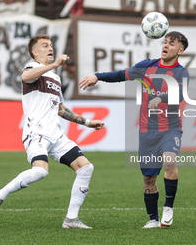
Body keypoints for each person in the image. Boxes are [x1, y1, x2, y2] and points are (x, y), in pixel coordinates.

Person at [0, 34, 104, 229]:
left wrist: (88, 122)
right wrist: (55, 64)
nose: (50, 48)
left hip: (56, 135)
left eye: (51, 45)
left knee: (86, 168)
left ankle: (71, 219)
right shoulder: (31, 68)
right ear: (35, 52)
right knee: (40, 171)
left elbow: (61, 110)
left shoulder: (55, 78)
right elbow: (25, 77)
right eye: (45, 45)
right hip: (36, 133)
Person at [79, 31, 189, 228]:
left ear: (180, 51)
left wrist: (161, 98)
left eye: (172, 44)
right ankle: (153, 220)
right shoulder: (147, 66)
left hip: (170, 128)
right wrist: (97, 76)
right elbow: (121, 75)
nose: (166, 45)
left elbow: (180, 94)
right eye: (165, 42)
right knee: (149, 178)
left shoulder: (181, 73)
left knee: (170, 161)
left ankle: (169, 207)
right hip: (147, 131)